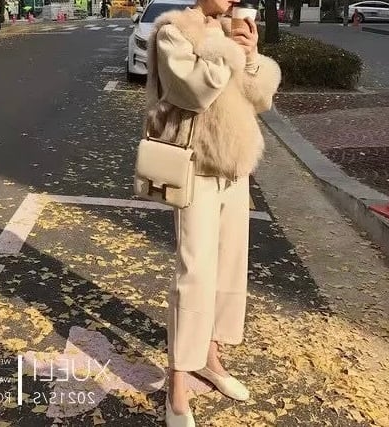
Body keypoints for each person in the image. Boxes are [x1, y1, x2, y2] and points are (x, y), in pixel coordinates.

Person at [144, 0, 281, 425]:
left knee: (228, 269)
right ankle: (178, 380)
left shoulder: (228, 30)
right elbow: (193, 92)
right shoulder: (174, 31)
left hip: (235, 168)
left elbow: (260, 99)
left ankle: (210, 356)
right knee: (194, 274)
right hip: (196, 167)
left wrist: (252, 56)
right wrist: (230, 51)